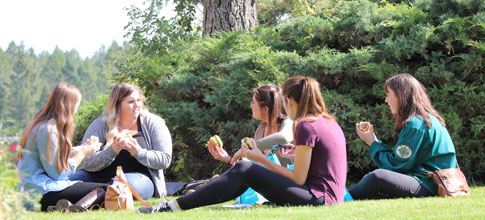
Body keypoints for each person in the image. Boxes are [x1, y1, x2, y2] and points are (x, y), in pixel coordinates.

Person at [136, 76, 347, 213]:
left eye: (286, 104)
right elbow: (322, 165)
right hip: (329, 197)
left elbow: (299, 178)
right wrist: (296, 154)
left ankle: (171, 207)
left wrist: (260, 158)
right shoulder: (328, 122)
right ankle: (175, 206)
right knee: (244, 170)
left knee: (246, 167)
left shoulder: (305, 126)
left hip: (318, 199)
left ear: (291, 102)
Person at [349, 73, 458, 199]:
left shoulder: (415, 125)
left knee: (377, 177)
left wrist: (373, 142)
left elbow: (397, 166)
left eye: (388, 95)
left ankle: (344, 199)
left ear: (401, 96)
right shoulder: (428, 120)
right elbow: (401, 161)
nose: (386, 100)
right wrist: (374, 141)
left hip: (430, 184)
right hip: (435, 182)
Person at [68, 83, 172, 200]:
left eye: (138, 100)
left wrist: (138, 152)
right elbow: (86, 162)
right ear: (117, 105)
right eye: (131, 102)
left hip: (139, 179)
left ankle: (92, 196)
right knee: (65, 183)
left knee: (122, 185)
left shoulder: (153, 123)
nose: (137, 105)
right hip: (97, 177)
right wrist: (111, 151)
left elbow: (165, 160)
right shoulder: (99, 125)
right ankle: (99, 195)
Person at [17, 83, 108, 212]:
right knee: (107, 190)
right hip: (42, 191)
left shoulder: (40, 125)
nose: (77, 109)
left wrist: (79, 149)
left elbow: (51, 158)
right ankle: (75, 207)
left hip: (32, 191)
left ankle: (66, 206)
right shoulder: (49, 130)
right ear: (69, 105)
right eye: (77, 104)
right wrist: (82, 154)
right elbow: (57, 174)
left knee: (101, 189)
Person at [208, 84, 294, 167]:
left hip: (290, 181)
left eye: (253, 102)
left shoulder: (288, 123)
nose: (250, 105)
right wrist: (228, 158)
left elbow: (283, 138)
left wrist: (244, 150)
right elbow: (254, 166)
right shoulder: (260, 130)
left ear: (265, 109)